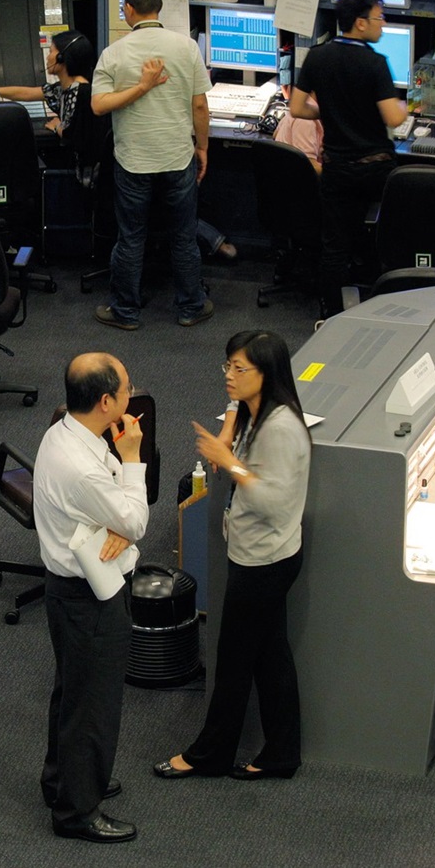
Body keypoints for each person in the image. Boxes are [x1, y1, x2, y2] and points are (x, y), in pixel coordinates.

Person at [156, 330, 309, 782]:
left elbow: (272, 503)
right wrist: (229, 428)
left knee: (234, 661)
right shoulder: (255, 409)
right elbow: (234, 407)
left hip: (264, 562)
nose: (229, 376)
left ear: (267, 374)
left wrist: (231, 460)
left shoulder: (280, 430)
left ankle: (210, 754)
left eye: (240, 369)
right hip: (265, 553)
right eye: (227, 365)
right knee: (269, 656)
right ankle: (282, 752)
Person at [33, 352, 149, 845]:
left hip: (68, 593)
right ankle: (77, 813)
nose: (131, 395)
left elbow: (118, 517)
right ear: (106, 402)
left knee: (73, 694)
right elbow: (137, 521)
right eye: (126, 389)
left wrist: (115, 519)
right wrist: (132, 460)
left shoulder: (64, 430)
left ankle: (64, 781)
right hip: (90, 600)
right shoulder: (83, 468)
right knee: (93, 708)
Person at [91, 0, 215, 330]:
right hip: (178, 156)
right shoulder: (186, 48)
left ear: (128, 9)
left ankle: (126, 312)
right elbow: (200, 106)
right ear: (158, 7)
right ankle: (191, 306)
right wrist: (202, 147)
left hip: (133, 160)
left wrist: (137, 88)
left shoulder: (114, 53)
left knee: (131, 236)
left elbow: (99, 106)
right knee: (183, 235)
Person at [291, 0, 408, 318]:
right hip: (375, 170)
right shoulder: (375, 63)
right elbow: (393, 118)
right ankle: (384, 302)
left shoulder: (316, 56)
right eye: (379, 17)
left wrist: (328, 113)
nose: (382, 25)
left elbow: (297, 108)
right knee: (386, 234)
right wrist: (410, 104)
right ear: (360, 23)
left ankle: (329, 315)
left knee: (335, 245)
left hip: (337, 169)